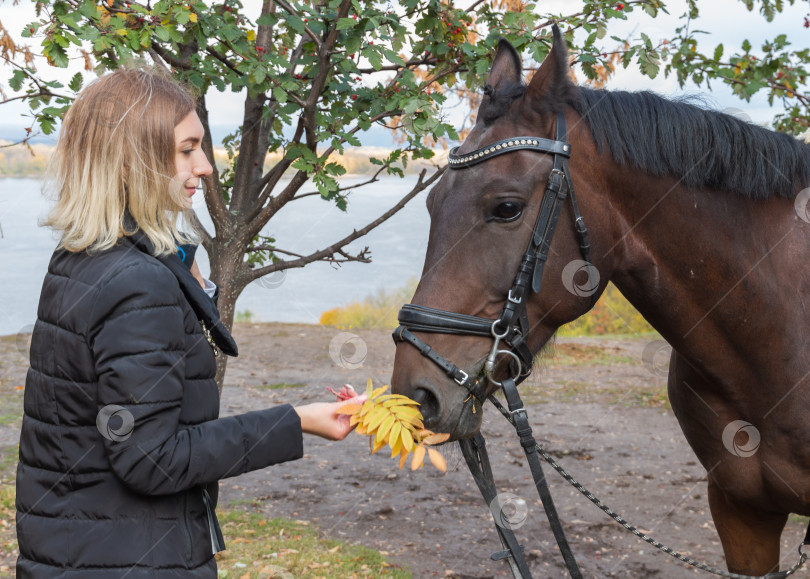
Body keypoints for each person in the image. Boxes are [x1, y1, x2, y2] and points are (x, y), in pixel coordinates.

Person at [15, 64, 361, 578]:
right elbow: (152, 459)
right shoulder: (136, 280)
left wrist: (179, 270)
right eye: (186, 149)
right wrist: (298, 421)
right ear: (132, 157)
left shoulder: (80, 258)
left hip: (77, 549)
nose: (205, 166)